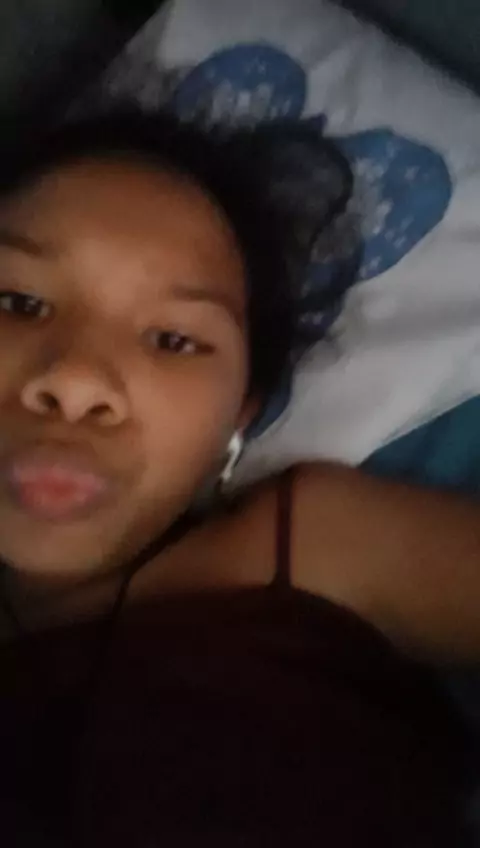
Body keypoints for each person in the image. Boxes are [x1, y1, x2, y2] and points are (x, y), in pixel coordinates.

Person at [0, 110, 478, 846]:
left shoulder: (319, 548)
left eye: (174, 339)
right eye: (19, 303)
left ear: (240, 414)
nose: (76, 381)